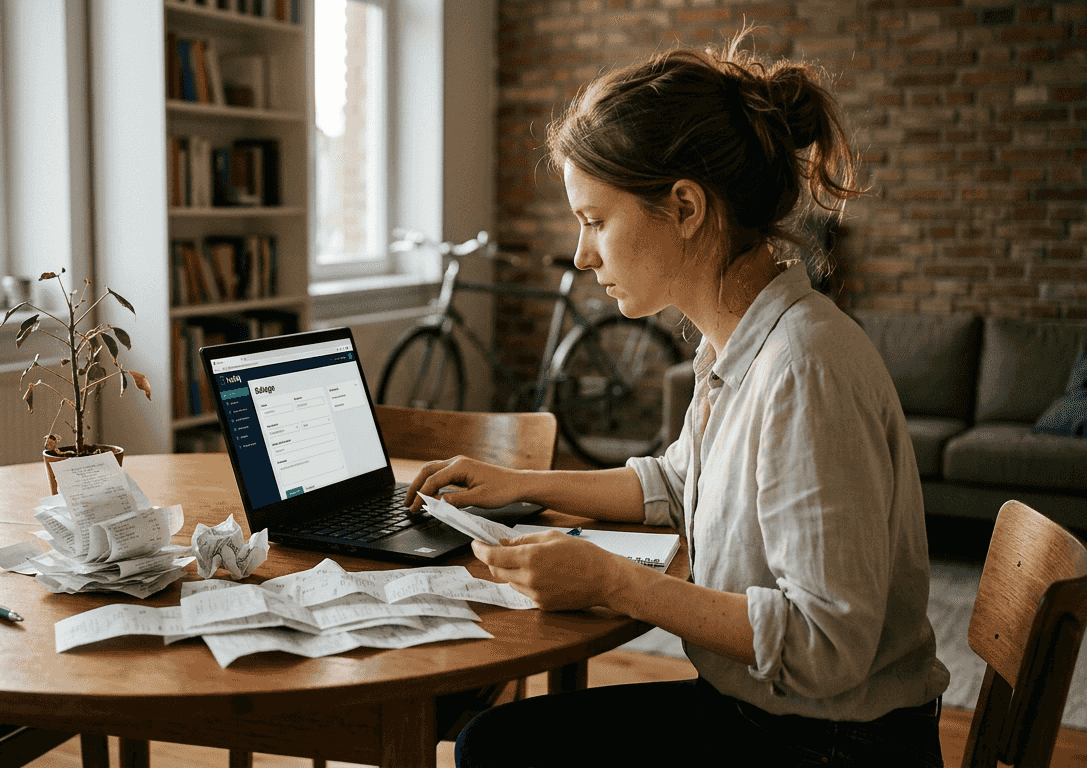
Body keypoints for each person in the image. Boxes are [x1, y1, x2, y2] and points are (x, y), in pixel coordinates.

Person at [406, 36, 950, 767]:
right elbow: (676, 481)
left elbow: (826, 647)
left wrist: (612, 581)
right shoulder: (734, 341)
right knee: (494, 741)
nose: (581, 254)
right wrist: (522, 485)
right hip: (775, 715)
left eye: (596, 220)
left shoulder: (802, 368)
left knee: (493, 749)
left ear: (686, 206)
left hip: (831, 744)